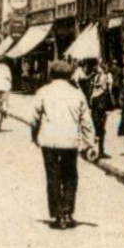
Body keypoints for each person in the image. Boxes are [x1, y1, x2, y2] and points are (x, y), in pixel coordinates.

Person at [29, 59, 98, 230]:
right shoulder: (77, 94)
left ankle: (58, 215)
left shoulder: (43, 92)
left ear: (51, 74)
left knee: (53, 177)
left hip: (49, 140)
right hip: (70, 141)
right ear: (69, 75)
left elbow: (34, 118)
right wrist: (90, 143)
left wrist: (34, 135)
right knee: (70, 177)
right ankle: (68, 212)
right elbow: (86, 121)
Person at [86, 60, 115, 159]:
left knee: (99, 126)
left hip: (100, 102)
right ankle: (98, 150)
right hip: (96, 102)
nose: (96, 68)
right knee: (97, 126)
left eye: (98, 67)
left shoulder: (103, 77)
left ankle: (99, 150)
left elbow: (103, 88)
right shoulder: (97, 77)